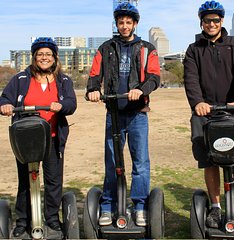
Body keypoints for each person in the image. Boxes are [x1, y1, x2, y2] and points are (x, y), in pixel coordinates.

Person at [183, 0, 234, 230]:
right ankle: (215, 207)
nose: (211, 23)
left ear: (222, 21)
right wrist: (198, 103)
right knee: (209, 161)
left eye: (215, 20)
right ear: (202, 23)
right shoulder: (194, 49)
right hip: (205, 114)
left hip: (233, 111)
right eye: (207, 20)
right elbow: (191, 79)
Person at [86, 2, 160, 227]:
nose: (125, 26)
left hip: (137, 114)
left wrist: (141, 90)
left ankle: (139, 205)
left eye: (129, 22)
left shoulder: (147, 48)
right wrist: (92, 90)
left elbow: (155, 77)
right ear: (116, 24)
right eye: (121, 22)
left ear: (135, 24)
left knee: (141, 163)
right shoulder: (106, 48)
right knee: (112, 161)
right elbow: (94, 75)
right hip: (114, 114)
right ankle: (108, 204)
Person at [0, 37, 77, 237]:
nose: (44, 58)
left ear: (54, 57)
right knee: (25, 182)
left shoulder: (63, 80)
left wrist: (61, 106)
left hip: (52, 138)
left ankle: (52, 220)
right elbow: (5, 98)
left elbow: (71, 103)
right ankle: (23, 222)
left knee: (53, 181)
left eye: (48, 54)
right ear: (34, 57)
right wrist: (5, 105)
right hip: (26, 140)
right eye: (40, 54)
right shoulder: (21, 79)